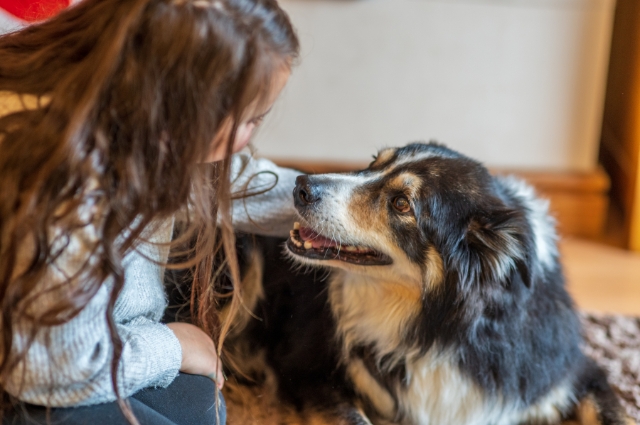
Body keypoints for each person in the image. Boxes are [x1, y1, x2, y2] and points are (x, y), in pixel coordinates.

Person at [0, 0, 300, 423]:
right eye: (248, 120)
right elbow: (52, 369)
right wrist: (173, 345)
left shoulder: (143, 120)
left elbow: (244, 182)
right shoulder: (64, 176)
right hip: (39, 367)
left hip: (96, 342)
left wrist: (340, 208)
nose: (246, 139)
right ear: (182, 108)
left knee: (200, 405)